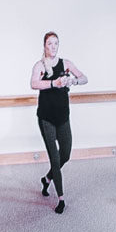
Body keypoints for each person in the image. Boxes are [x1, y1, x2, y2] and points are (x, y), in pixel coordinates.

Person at [31, 30, 85, 213]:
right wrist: (55, 83)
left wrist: (73, 81)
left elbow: (84, 78)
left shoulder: (66, 63)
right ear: (44, 46)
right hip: (46, 118)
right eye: (49, 44)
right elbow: (33, 83)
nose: (53, 47)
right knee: (55, 159)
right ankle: (61, 199)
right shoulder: (40, 66)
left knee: (66, 155)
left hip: (63, 118)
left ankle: (46, 179)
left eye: (56, 43)